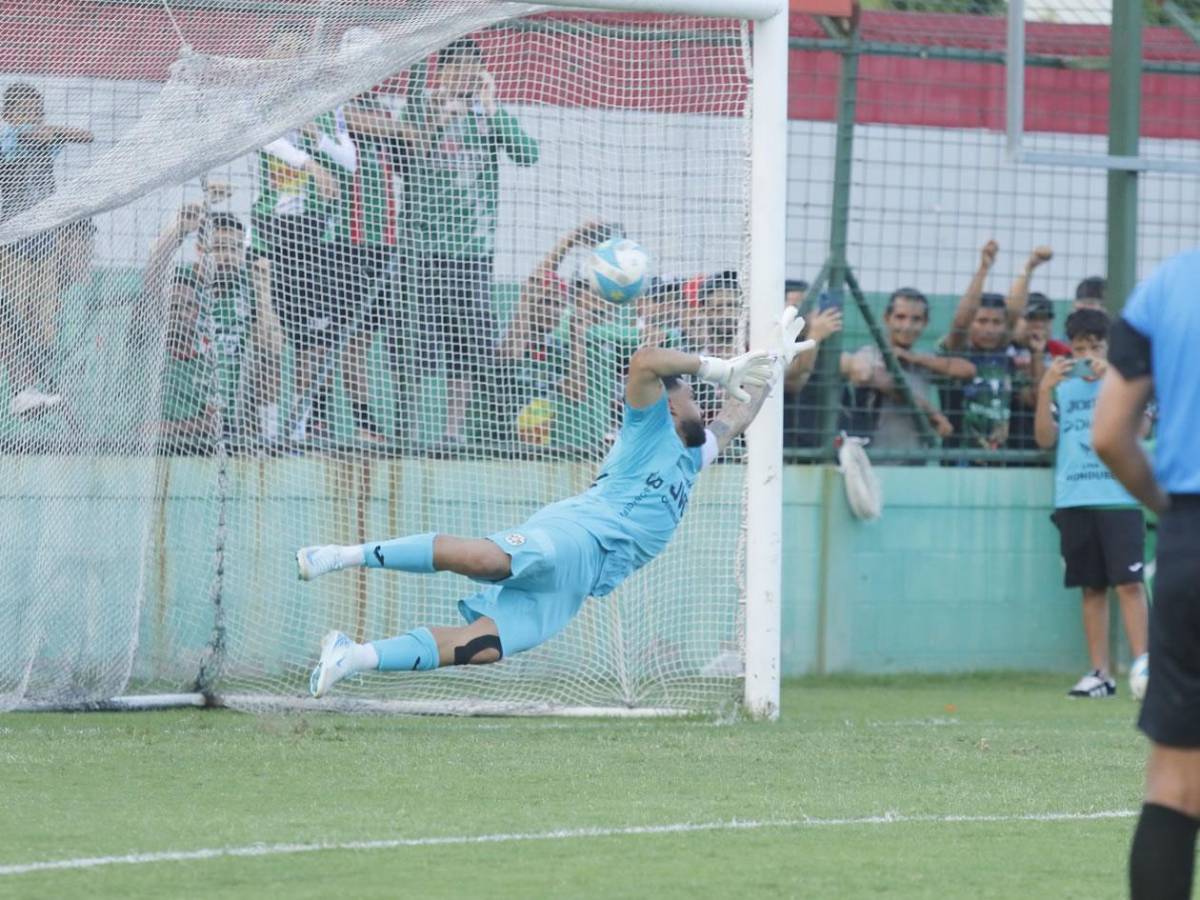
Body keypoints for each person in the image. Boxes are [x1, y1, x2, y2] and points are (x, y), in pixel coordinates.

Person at [296, 317, 802, 697]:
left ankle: (352, 655)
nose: (707, 399)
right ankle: (339, 555)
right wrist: (717, 366)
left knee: (482, 647)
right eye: (697, 392)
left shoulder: (694, 458)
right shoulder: (647, 430)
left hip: (581, 581)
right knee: (489, 560)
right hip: (575, 535)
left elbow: (737, 415)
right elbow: (646, 360)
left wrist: (772, 361)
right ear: (672, 405)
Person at [1091, 251, 1200, 900]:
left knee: (1175, 781)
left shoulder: (1169, 284)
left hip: (1192, 537)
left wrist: (1169, 509)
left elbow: (1109, 435)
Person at [402, 38, 540, 449]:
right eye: (458, 66)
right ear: (441, 71)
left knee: (465, 342)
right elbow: (407, 154)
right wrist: (441, 118)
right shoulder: (421, 104)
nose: (466, 75)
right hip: (422, 247)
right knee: (418, 340)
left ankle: (452, 430)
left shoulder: (488, 115)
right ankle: (408, 429)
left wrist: (491, 106)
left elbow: (527, 154)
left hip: (472, 250)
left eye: (473, 68)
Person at [1034, 308, 1147, 698]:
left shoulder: (1125, 378)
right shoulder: (1062, 386)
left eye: (1095, 346)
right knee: (1091, 587)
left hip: (1120, 497)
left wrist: (1116, 381)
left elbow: (1144, 427)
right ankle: (1100, 673)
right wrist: (1044, 388)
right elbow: (1045, 439)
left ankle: (1145, 669)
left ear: (1109, 346)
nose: (1087, 354)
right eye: (1079, 347)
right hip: (1074, 499)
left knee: (1129, 584)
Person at [0, 82, 94, 417]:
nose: (34, 117)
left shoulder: (45, 141)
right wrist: (39, 130)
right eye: (26, 110)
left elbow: (86, 136)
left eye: (38, 110)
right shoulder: (6, 136)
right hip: (10, 239)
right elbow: (27, 138)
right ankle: (22, 388)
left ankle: (34, 388)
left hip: (42, 241)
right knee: (13, 315)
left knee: (43, 324)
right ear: (8, 113)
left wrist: (49, 130)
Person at [842, 287, 975, 454]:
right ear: (886, 318)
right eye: (900, 317)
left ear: (925, 323)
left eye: (916, 319)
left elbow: (967, 370)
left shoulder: (923, 360)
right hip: (874, 459)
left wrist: (914, 358)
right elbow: (893, 386)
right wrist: (932, 414)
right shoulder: (869, 355)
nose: (907, 326)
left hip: (914, 462)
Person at [938, 241, 1017, 453]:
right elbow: (960, 324)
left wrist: (1029, 268)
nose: (989, 329)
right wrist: (983, 268)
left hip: (1003, 462)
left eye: (996, 323)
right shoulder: (959, 352)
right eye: (982, 321)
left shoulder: (1008, 356)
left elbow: (1015, 315)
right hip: (959, 460)